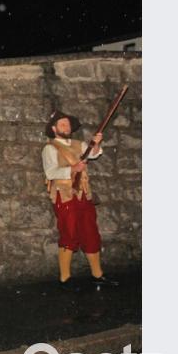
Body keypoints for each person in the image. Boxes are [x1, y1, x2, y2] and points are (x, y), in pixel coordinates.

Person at [42, 110, 119, 289]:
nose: (66, 126)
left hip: (84, 194)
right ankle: (65, 278)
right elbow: (50, 173)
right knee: (69, 234)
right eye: (62, 124)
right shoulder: (50, 148)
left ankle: (97, 275)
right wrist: (73, 169)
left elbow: (93, 154)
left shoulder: (79, 144)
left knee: (90, 232)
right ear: (54, 129)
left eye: (67, 123)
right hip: (64, 195)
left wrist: (96, 144)